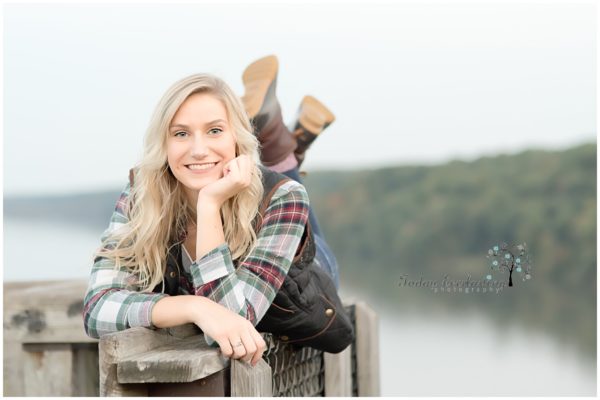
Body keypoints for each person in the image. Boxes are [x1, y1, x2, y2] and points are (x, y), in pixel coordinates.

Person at [83, 55, 339, 368]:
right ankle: (285, 144)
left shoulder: (283, 198)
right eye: (181, 134)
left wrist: (209, 205)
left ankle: (282, 152)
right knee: (277, 174)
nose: (199, 149)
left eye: (215, 130)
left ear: (237, 138)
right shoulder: (143, 191)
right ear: (163, 144)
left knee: (287, 183)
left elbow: (234, 319)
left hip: (304, 274)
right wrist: (194, 307)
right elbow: (96, 310)